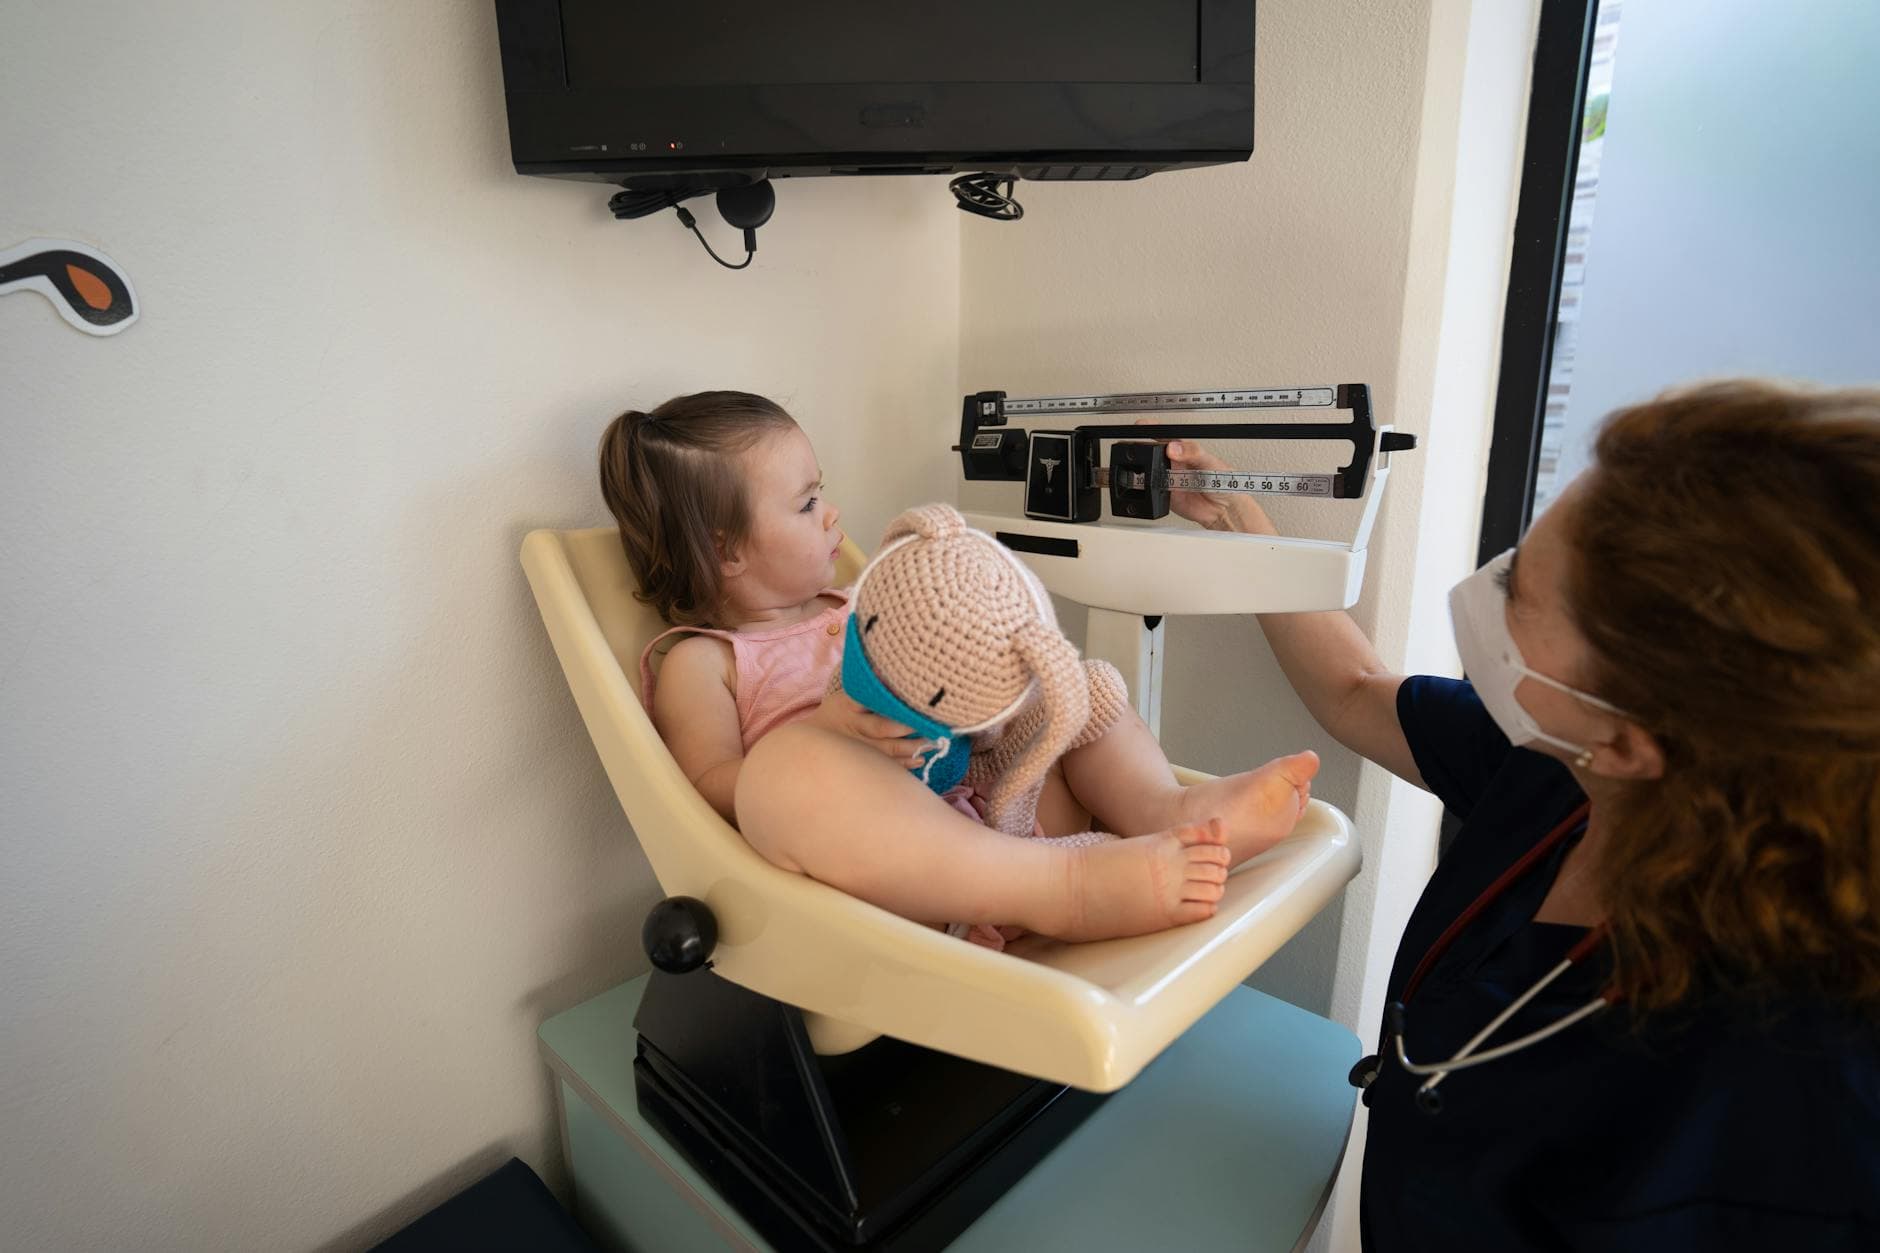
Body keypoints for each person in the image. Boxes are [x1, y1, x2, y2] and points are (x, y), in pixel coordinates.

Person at [1157, 380, 1880, 1249]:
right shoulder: (1561, 765)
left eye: (1520, 595)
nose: (1484, 591)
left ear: (1631, 739)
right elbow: (1355, 695)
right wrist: (1243, 518)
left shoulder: (1774, 1127)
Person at [597, 389, 1322, 944]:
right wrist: (827, 731)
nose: (831, 511)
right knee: (781, 776)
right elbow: (709, 794)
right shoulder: (704, 661)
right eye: (808, 501)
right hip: (895, 875)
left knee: (1075, 686)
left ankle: (1169, 812)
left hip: (991, 806)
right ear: (727, 551)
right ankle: (1070, 886)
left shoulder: (859, 597)